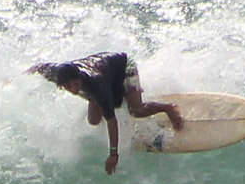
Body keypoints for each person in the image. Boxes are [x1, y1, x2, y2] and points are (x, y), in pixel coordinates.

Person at [29, 52, 183, 174]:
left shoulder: (95, 83)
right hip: (105, 73)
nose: (73, 89)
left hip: (122, 66)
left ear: (79, 78)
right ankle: (112, 97)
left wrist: (113, 154)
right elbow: (37, 68)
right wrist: (17, 80)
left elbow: (111, 121)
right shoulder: (55, 73)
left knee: (136, 110)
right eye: (68, 86)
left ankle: (168, 108)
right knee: (94, 120)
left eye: (75, 84)